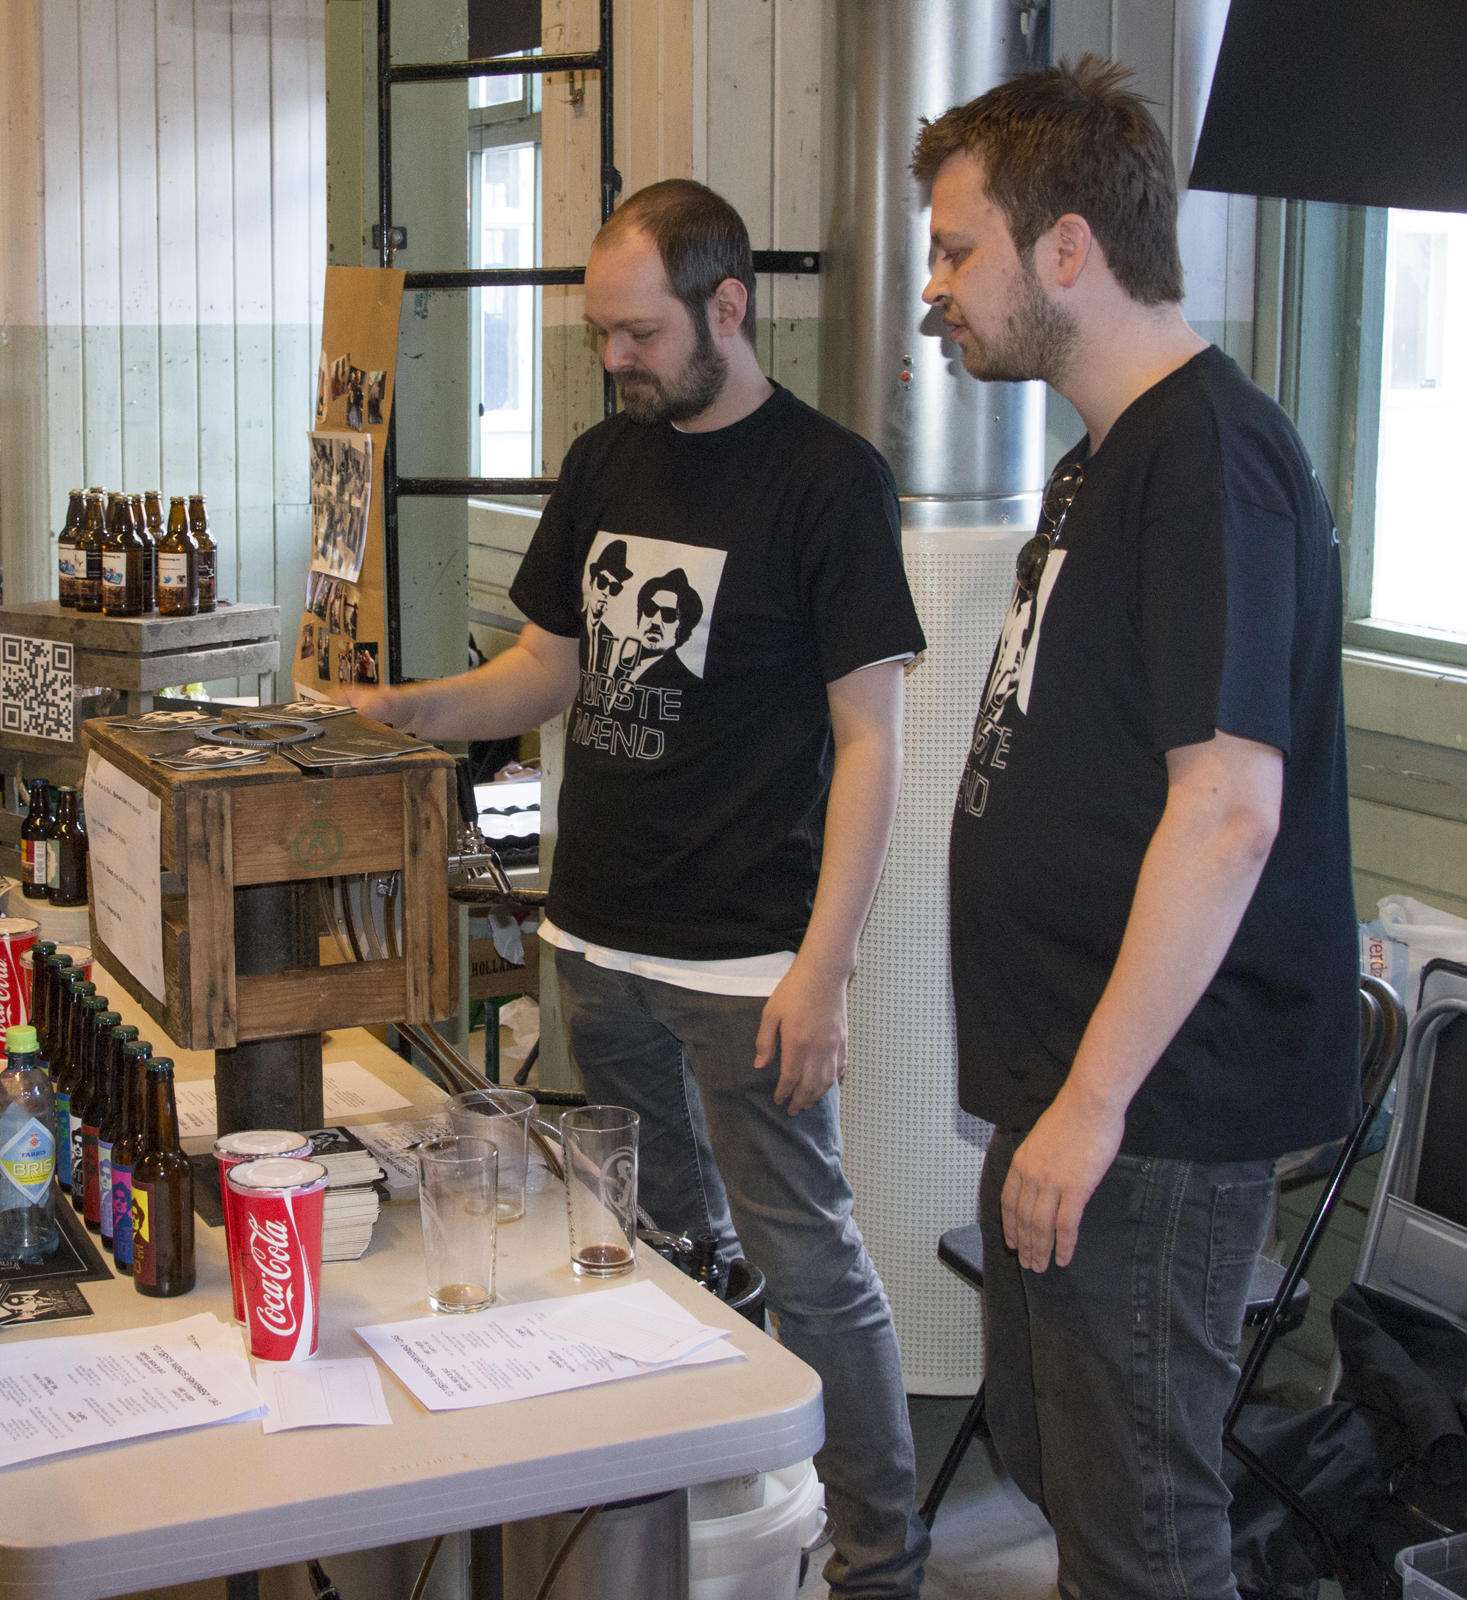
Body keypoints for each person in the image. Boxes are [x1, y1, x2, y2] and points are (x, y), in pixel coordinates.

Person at [341, 178, 931, 1597]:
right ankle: (694, 1500)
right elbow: (548, 670)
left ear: (729, 307)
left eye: (640, 333)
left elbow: (871, 741)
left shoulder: (829, 478)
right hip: (595, 941)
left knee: (809, 1260)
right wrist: (412, 712)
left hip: (746, 960)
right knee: (655, 1248)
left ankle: (879, 1553)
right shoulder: (606, 459)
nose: (615, 358)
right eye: (601, 333)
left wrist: (823, 970)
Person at [915, 57, 1360, 1600]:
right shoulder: (1102, 458)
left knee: (1143, 1537)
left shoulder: (1210, 460)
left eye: (955, 248)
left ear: (1065, 249)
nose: (934, 287)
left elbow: (1229, 810)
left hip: (1155, 1108)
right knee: (1057, 1466)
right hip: (1070, 1083)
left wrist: (1095, 1104)